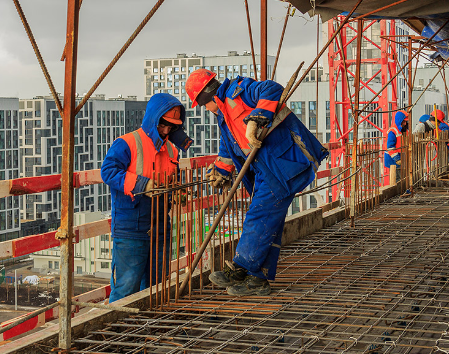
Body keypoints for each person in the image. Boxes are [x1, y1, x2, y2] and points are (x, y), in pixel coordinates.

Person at [185, 69, 328, 296]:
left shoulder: (238, 91)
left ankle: (242, 268)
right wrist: (223, 169)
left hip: (284, 164)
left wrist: (256, 119)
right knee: (267, 221)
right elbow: (229, 146)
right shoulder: (224, 114)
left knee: (258, 215)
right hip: (267, 169)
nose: (205, 110)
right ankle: (257, 279)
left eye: (202, 105)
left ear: (206, 96)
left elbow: (271, 88)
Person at [100, 93, 192, 303]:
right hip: (131, 229)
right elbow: (108, 171)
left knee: (156, 287)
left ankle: (149, 328)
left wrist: (177, 192)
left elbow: (170, 180)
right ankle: (120, 331)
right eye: (163, 125)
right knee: (126, 289)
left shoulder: (171, 150)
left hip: (160, 228)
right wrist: (143, 185)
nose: (167, 131)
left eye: (172, 127)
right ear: (153, 119)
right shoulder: (128, 143)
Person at [384, 111, 409, 181]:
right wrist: (397, 159)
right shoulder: (393, 131)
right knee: (397, 179)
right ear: (399, 121)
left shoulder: (404, 130)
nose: (405, 123)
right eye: (403, 121)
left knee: (402, 178)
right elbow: (390, 147)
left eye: (406, 122)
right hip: (393, 160)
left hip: (401, 158)